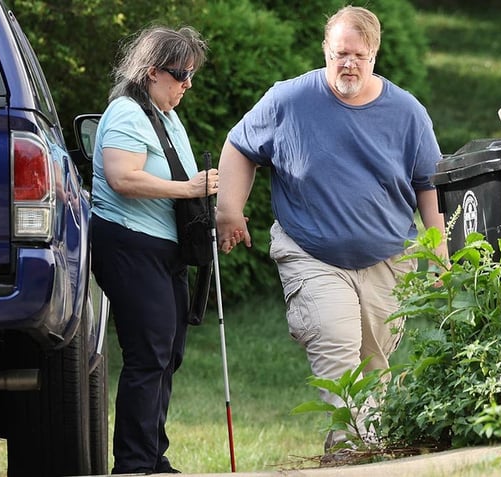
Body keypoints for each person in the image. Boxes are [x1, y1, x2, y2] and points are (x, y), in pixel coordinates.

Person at [215, 5, 447, 452]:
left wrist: (438, 254)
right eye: (340, 54)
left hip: (388, 260)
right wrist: (229, 209)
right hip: (311, 254)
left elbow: (429, 185)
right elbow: (239, 146)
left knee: (375, 367)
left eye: (358, 56)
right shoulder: (288, 101)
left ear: (374, 54)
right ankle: (354, 450)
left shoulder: (407, 112)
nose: (348, 64)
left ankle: (351, 449)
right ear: (326, 50)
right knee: (339, 354)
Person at [89, 25, 215, 474]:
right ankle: (135, 465)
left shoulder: (165, 115)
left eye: (191, 77)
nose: (187, 86)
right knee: (150, 355)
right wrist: (188, 188)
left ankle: (152, 458)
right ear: (151, 71)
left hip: (162, 250)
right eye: (181, 75)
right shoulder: (126, 112)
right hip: (129, 243)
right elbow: (123, 178)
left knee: (169, 353)